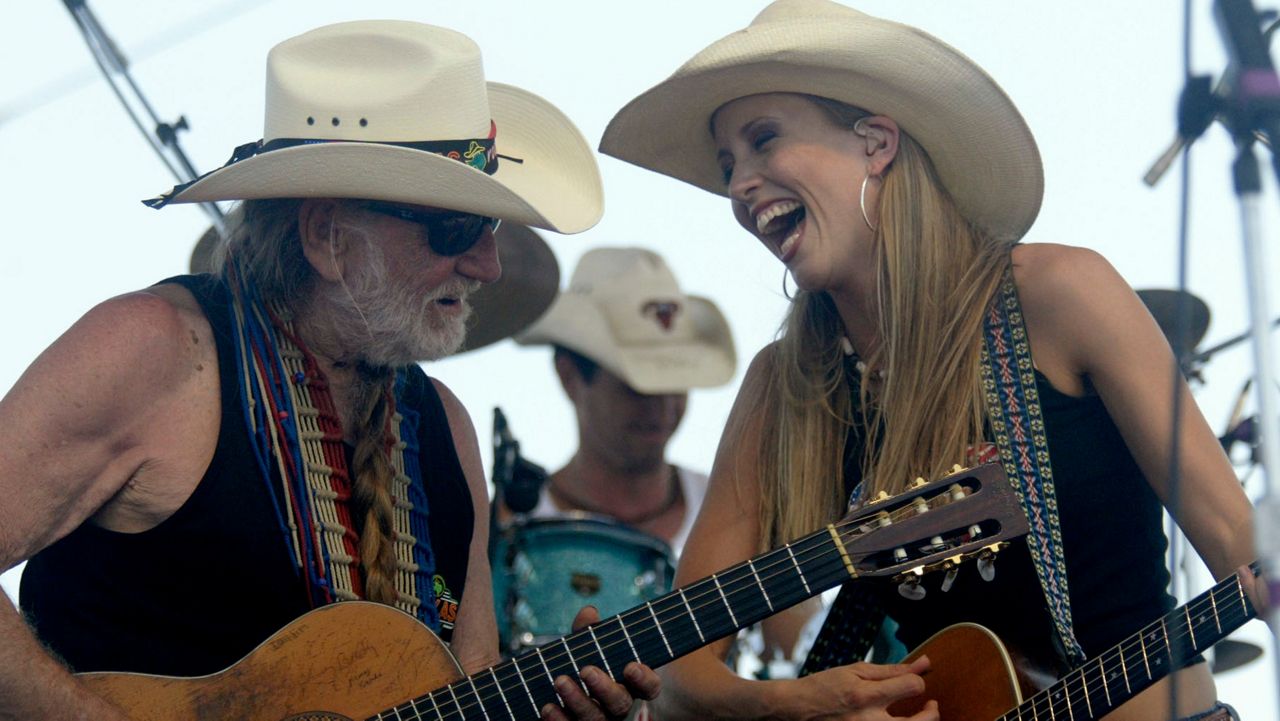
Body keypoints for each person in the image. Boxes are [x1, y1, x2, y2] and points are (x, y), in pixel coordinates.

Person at [599, 1, 1266, 720]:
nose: (737, 186)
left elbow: (1234, 538)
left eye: (764, 141)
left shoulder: (1058, 294)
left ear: (877, 142)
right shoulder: (786, 386)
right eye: (730, 163)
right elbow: (678, 665)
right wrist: (795, 701)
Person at [0, 20, 657, 720]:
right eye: (457, 229)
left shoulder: (446, 431)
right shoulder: (154, 350)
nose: (487, 265)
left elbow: (469, 687)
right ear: (327, 236)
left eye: (490, 228)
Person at [507, 247, 736, 555]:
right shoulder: (505, 531)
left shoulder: (735, 513)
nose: (663, 406)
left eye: (678, 381)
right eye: (637, 386)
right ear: (569, 377)